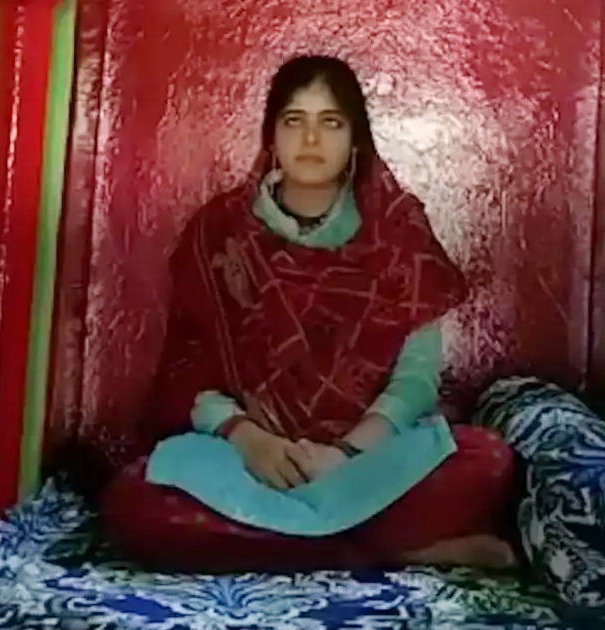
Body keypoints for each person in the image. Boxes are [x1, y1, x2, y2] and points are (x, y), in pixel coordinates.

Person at [98, 55, 517, 573]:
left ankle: (289, 545)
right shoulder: (221, 234)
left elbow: (414, 382)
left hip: (365, 460)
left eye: (331, 123)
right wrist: (251, 441)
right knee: (135, 500)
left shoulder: (399, 236)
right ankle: (391, 554)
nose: (312, 140)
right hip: (250, 460)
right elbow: (187, 369)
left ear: (356, 142)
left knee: (486, 462)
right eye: (294, 121)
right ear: (270, 137)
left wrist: (342, 453)